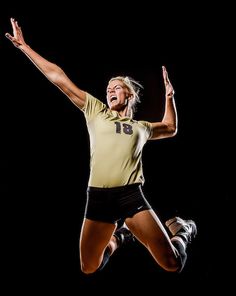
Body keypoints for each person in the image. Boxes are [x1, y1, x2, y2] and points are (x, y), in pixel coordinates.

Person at [5, 17, 197, 274]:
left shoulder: (141, 127)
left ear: (129, 95)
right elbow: (57, 77)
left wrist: (170, 97)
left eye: (116, 87)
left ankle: (182, 230)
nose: (110, 91)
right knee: (89, 266)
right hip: (98, 196)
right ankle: (120, 238)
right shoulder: (96, 111)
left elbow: (170, 127)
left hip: (130, 195)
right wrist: (24, 47)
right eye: (108, 88)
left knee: (172, 263)